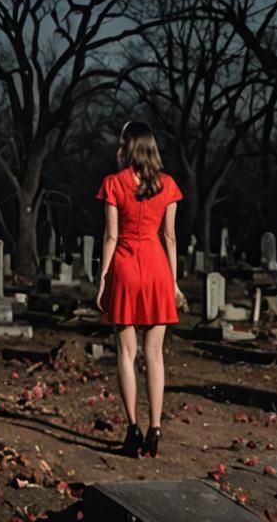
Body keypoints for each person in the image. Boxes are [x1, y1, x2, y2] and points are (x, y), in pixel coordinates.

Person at [95, 121, 184, 458]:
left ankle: (132, 428)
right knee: (155, 354)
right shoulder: (169, 185)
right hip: (158, 270)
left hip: (126, 269)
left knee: (126, 354)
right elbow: (170, 237)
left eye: (121, 141)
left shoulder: (114, 184)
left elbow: (111, 237)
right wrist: (174, 283)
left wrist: (103, 279)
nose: (118, 146)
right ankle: (155, 429)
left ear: (129, 146)